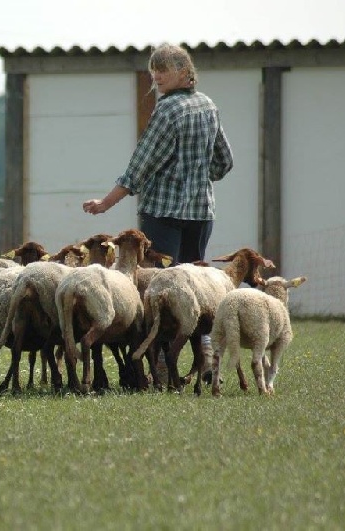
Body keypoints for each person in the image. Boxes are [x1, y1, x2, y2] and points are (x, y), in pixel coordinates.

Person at [82, 42, 234, 386]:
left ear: (184, 71)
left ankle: (161, 369)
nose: (157, 75)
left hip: (162, 215)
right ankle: (207, 358)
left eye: (164, 68)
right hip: (200, 213)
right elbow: (224, 162)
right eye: (154, 69)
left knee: (158, 291)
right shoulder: (209, 106)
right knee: (197, 290)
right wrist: (195, 173)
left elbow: (140, 166)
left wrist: (105, 204)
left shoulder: (167, 111)